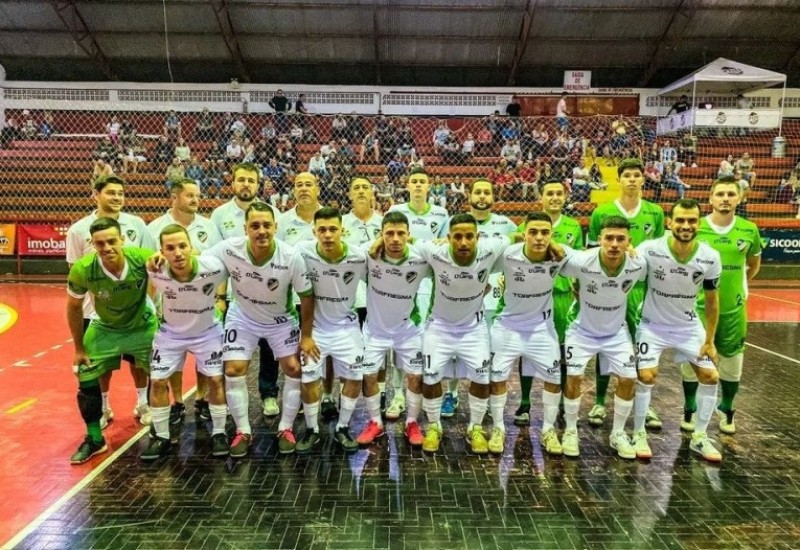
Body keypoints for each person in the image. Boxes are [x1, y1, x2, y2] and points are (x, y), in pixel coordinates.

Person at [204, 202, 316, 457]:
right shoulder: (229, 249)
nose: (261, 230)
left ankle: (285, 428)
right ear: (245, 228)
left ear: (275, 227)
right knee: (233, 369)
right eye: (255, 226)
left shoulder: (290, 256)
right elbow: (199, 262)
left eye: (267, 225)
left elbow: (307, 296)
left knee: (293, 368)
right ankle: (243, 431)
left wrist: (307, 336)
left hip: (280, 320)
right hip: (242, 317)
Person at [409, 214, 512, 453]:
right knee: (431, 377)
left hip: (473, 329)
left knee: (482, 378)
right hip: (439, 327)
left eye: (469, 236)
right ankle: (434, 426)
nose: (463, 242)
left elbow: (518, 236)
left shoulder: (491, 248)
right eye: (457, 237)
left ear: (478, 237)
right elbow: (409, 240)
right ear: (448, 238)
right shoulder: (435, 252)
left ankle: (475, 427)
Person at [633, 199, 722, 462]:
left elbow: (712, 301)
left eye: (691, 220)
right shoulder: (650, 249)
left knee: (710, 376)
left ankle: (700, 437)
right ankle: (638, 433)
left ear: (699, 223)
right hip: (653, 325)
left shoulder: (710, 256)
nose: (686, 225)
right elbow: (628, 271)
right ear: (669, 222)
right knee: (646, 376)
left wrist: (710, 340)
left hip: (688, 327)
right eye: (680, 220)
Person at [66, 176, 155, 431]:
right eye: (110, 193)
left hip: (134, 308)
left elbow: (151, 266)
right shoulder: (78, 230)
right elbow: (75, 271)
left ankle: (143, 404)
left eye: (120, 193)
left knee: (139, 361)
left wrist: (147, 300)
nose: (116, 197)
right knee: (99, 365)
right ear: (96, 194)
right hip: (95, 312)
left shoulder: (136, 224)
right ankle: (103, 406)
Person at [586, 158, 665, 429]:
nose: (632, 179)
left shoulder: (655, 212)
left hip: (642, 290)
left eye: (636, 175)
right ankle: (599, 401)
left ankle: (645, 403)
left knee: (645, 346)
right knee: (605, 342)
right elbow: (590, 250)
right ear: (618, 179)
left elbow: (660, 252)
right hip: (609, 287)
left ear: (643, 179)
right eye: (627, 175)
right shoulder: (602, 212)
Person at [560, 216, 647, 459]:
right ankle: (570, 431)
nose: (614, 244)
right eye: (609, 238)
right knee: (574, 378)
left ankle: (617, 433)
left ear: (629, 241)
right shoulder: (582, 260)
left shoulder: (639, 264)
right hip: (581, 330)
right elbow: (556, 252)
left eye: (621, 239)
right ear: (599, 239)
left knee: (629, 379)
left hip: (616, 333)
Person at [680, 177, 761, 436]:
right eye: (720, 194)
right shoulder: (697, 227)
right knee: (693, 355)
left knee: (732, 358)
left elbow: (753, 265)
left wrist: (736, 287)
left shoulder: (749, 230)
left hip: (732, 307)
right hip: (697, 306)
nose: (725, 198)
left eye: (730, 194)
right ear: (711, 198)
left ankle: (726, 407)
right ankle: (689, 406)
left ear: (740, 198)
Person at [142, 225, 229, 461]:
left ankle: (219, 433)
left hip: (207, 332)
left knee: (216, 379)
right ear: (161, 251)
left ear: (192, 247)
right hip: (171, 334)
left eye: (182, 246)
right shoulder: (155, 269)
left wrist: (222, 299)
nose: (178, 253)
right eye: (170, 248)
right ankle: (161, 436)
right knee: (157, 381)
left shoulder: (213, 267)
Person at [492, 211, 570, 455]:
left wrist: (629, 249)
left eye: (545, 233)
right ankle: (498, 428)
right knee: (497, 378)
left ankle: (548, 429)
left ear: (552, 235)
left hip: (541, 328)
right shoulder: (507, 254)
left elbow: (593, 258)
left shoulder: (560, 255)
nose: (539, 237)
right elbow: (478, 251)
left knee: (554, 379)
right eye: (533, 232)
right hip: (508, 326)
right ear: (524, 234)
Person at [147, 179, 223, 425]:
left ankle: (201, 398)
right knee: (174, 359)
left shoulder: (208, 226)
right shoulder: (155, 227)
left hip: (202, 302)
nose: (195, 200)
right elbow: (149, 263)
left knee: (205, 358)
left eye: (197, 195)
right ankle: (177, 402)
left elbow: (218, 263)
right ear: (174, 197)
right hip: (172, 303)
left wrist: (220, 298)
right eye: (190, 195)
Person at [210, 163, 283, 419]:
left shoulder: (272, 212)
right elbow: (217, 262)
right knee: (233, 350)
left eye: (251, 180)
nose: (246, 184)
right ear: (232, 182)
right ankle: (229, 398)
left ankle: (268, 393)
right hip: (235, 295)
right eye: (241, 179)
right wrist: (219, 296)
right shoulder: (220, 215)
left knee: (269, 348)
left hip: (268, 294)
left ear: (258, 184)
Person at [440, 179, 517, 419]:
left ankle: (489, 396)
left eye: (486, 192)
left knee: (492, 351)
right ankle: (451, 394)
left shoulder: (506, 224)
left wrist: (509, 278)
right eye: (478, 192)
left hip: (495, 297)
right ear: (469, 195)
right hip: (462, 298)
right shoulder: (455, 223)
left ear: (493, 196)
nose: (482, 196)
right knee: (455, 350)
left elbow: (518, 252)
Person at [292, 207, 367, 452]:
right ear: (313, 231)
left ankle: (343, 428)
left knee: (355, 377)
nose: (327, 235)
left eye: (333, 229)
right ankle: (312, 429)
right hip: (315, 329)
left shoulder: (359, 256)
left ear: (342, 231)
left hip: (347, 327)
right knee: (308, 378)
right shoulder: (301, 251)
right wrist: (305, 335)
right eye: (321, 230)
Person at [515, 181, 583, 427]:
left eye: (559, 193)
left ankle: (562, 401)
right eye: (549, 193)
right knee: (527, 347)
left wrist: (579, 286)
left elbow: (578, 260)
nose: (554, 197)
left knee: (562, 350)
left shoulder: (574, 226)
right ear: (541, 197)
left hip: (562, 295)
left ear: (565, 197)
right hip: (533, 295)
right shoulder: (527, 224)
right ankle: (524, 402)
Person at [361, 212, 431, 446]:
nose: (395, 239)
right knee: (368, 376)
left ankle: (412, 422)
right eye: (389, 233)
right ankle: (375, 422)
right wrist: (375, 243)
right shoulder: (368, 255)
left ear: (409, 235)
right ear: (381, 234)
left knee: (416, 377)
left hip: (408, 330)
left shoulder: (420, 258)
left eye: (401, 233)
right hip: (375, 330)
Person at [386, 169, 449, 419]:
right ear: (408, 185)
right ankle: (397, 395)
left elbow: (444, 246)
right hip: (401, 280)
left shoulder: (441, 213)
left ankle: (423, 390)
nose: (419, 185)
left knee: (427, 336)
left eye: (423, 181)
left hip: (429, 282)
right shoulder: (396, 211)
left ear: (429, 186)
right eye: (414, 181)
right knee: (399, 336)